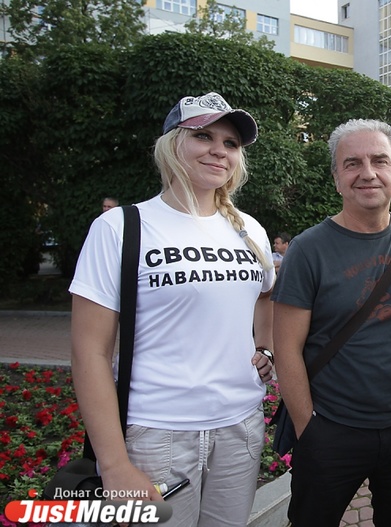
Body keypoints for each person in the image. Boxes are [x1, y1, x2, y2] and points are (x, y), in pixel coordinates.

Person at [69, 92, 276, 527]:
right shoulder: (120, 227)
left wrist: (266, 346)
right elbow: (89, 353)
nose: (219, 150)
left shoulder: (249, 230)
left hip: (240, 428)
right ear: (171, 145)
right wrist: (114, 464)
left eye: (231, 143)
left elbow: (265, 295)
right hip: (154, 435)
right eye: (203, 136)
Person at [271, 119, 391, 526]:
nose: (367, 173)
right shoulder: (308, 249)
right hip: (331, 429)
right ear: (337, 178)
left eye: (379, 161)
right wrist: (308, 428)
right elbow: (286, 347)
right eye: (352, 163)